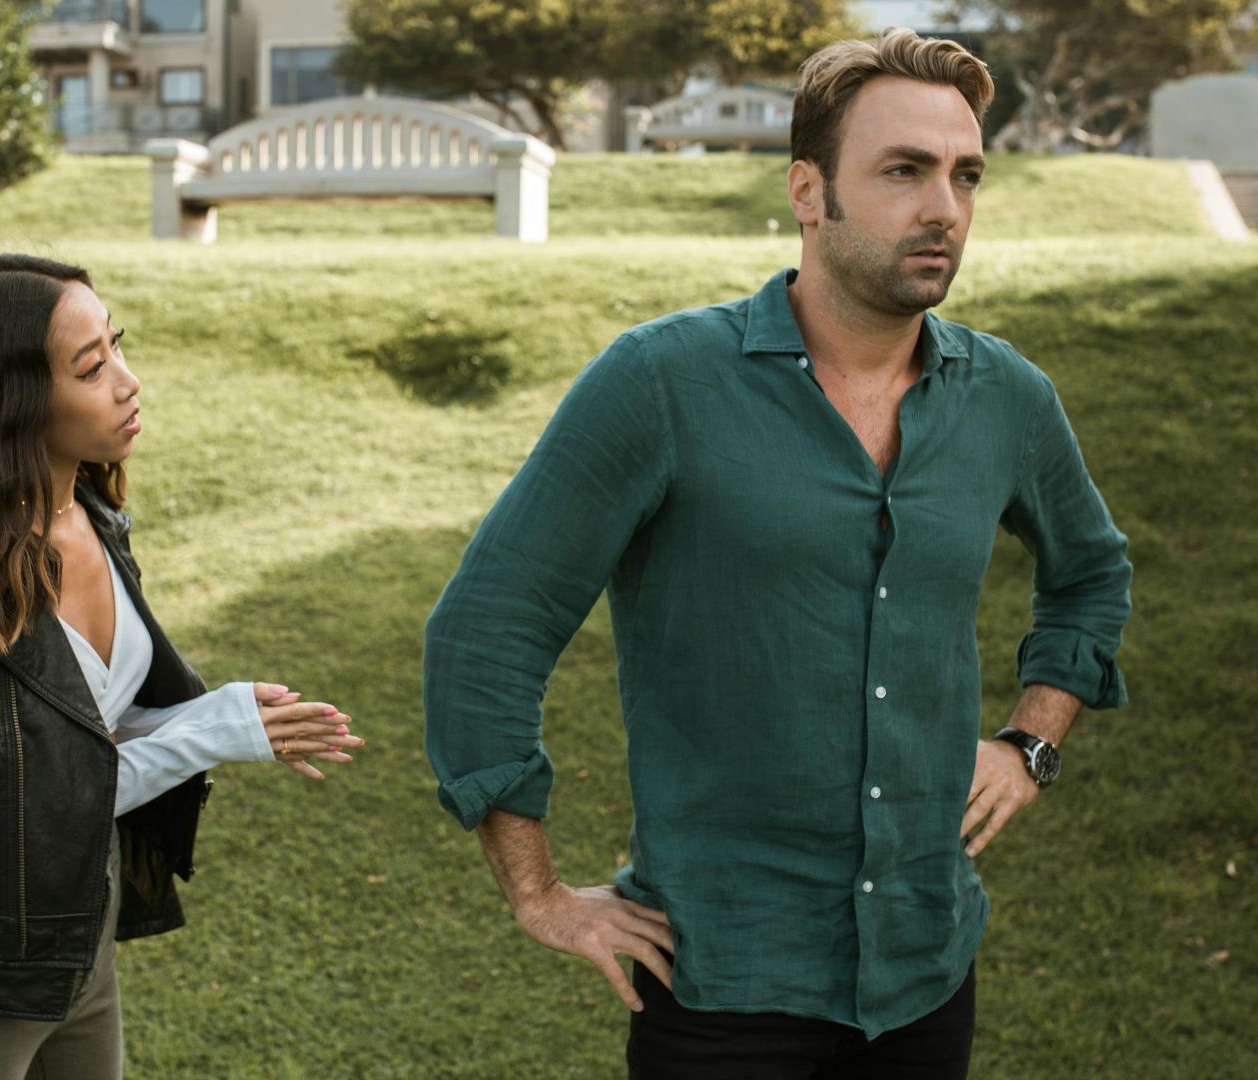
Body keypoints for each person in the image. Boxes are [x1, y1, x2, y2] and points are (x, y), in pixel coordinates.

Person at [422, 29, 1131, 1080]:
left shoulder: (1007, 399)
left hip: (926, 975)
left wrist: (1032, 741)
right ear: (808, 190)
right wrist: (537, 892)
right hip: (722, 985)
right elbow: (488, 629)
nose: (944, 207)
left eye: (965, 175)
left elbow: (1092, 575)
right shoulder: (662, 384)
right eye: (903, 171)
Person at [0, 252, 365, 1080]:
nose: (128, 381)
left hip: (84, 946)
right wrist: (217, 732)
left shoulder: (96, 518)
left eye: (117, 346)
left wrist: (222, 710)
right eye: (90, 368)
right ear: (10, 399)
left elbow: (91, 729)